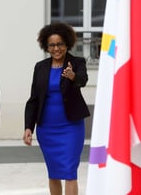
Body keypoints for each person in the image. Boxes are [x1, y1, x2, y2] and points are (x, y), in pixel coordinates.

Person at [23, 22, 90, 195]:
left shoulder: (76, 62)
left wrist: (73, 76)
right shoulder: (40, 67)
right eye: (51, 45)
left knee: (69, 172)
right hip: (47, 128)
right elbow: (34, 99)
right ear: (46, 46)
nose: (56, 48)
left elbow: (82, 79)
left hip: (71, 127)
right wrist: (28, 127)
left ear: (67, 43)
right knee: (53, 173)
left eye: (60, 44)